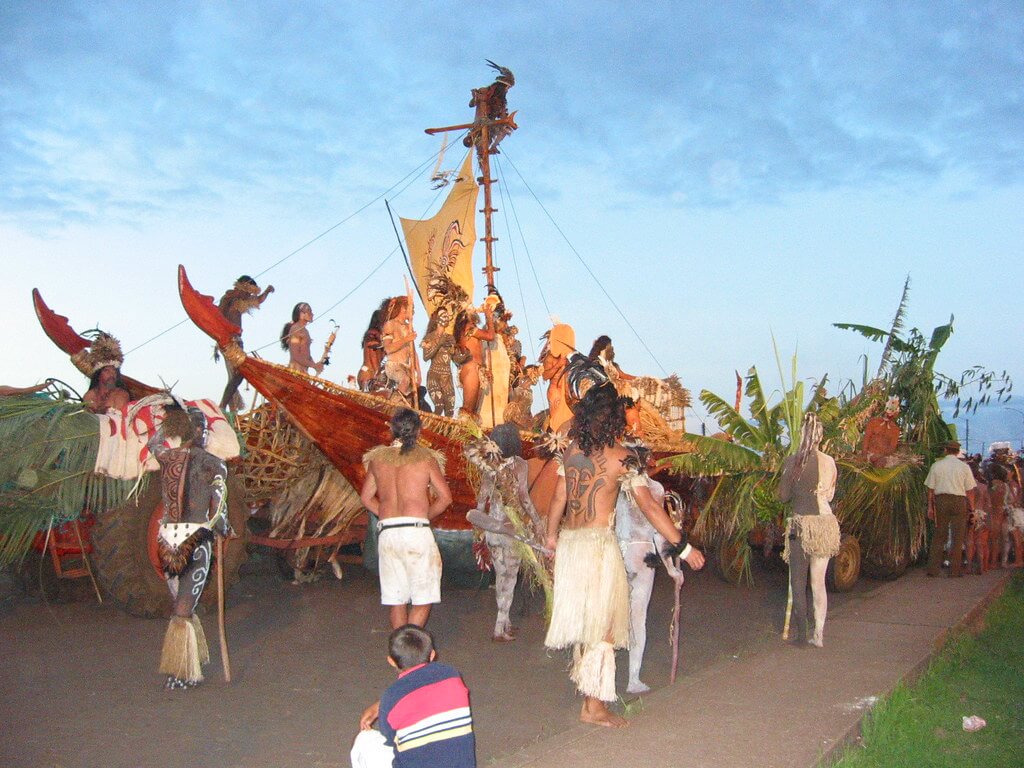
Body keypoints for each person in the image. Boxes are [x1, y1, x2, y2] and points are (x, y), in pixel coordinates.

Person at [544, 383, 704, 727]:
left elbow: (558, 499)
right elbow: (650, 507)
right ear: (615, 419)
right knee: (603, 628)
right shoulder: (622, 458)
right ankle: (595, 707)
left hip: (571, 545)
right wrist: (684, 546)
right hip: (598, 549)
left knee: (588, 625)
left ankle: (590, 702)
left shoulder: (571, 450)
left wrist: (550, 538)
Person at [147, 405, 231, 689]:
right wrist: (223, 528)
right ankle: (183, 671)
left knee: (181, 604)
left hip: (168, 540)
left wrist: (168, 426)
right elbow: (219, 509)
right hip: (195, 541)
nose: (206, 433)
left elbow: (153, 442)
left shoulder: (167, 457)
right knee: (183, 607)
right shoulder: (214, 464)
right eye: (203, 428)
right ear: (196, 431)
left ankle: (190, 660)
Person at [360, 409, 452, 629]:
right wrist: (423, 516)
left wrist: (386, 514)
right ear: (418, 431)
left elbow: (366, 498)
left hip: (388, 532)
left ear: (392, 430)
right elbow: (445, 498)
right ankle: (411, 644)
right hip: (415, 531)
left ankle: (400, 647)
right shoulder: (426, 458)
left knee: (397, 600)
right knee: (423, 599)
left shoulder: (377, 460)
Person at [352, 625, 475, 768]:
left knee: (363, 739)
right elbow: (425, 694)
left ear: (391, 661)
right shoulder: (452, 675)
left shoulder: (391, 697)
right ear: (432, 655)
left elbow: (391, 740)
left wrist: (383, 705)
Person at [466, 423, 545, 642]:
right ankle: (499, 627)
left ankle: (505, 621)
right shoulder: (519, 464)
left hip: (492, 528)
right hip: (511, 529)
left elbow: (481, 500)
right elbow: (524, 498)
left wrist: (480, 528)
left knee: (501, 575)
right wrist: (537, 523)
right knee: (509, 577)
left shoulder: (488, 465)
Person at [614, 453, 683, 694]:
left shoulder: (615, 485)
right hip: (640, 554)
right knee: (637, 618)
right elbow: (659, 533)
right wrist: (671, 568)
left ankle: (605, 677)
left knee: (612, 616)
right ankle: (633, 679)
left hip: (616, 552)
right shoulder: (654, 489)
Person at [778, 412, 841, 647]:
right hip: (825, 526)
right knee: (818, 582)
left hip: (802, 525)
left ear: (802, 434)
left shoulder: (793, 461)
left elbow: (783, 496)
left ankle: (802, 635)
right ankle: (819, 635)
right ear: (820, 437)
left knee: (798, 581)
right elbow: (830, 495)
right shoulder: (829, 462)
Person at [217, 275, 273, 411]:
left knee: (235, 375)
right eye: (248, 292)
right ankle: (224, 406)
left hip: (236, 340)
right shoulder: (228, 299)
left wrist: (267, 291)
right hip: (228, 341)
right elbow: (218, 317)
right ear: (242, 287)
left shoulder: (241, 300)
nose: (249, 295)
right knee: (238, 373)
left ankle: (230, 409)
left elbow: (258, 300)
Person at [924, 440, 976, 577]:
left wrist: (930, 507)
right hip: (959, 501)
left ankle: (933, 570)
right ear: (958, 452)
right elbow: (970, 491)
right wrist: (972, 509)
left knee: (939, 535)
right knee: (958, 537)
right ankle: (954, 571)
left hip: (941, 501)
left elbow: (930, 489)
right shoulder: (964, 467)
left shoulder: (936, 466)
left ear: (945, 450)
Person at [454, 305, 496, 421]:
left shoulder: (468, 330)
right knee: (468, 410)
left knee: (473, 412)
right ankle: (462, 430)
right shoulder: (469, 328)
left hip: (476, 369)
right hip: (471, 368)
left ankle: (469, 430)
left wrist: (484, 369)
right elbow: (490, 336)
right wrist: (489, 317)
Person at [381, 297, 419, 404]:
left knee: (411, 395)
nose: (414, 312)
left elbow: (413, 352)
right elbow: (388, 349)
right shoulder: (390, 324)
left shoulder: (408, 328)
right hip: (394, 366)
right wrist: (406, 339)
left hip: (406, 368)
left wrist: (418, 372)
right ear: (403, 308)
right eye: (412, 308)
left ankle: (403, 408)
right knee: (405, 380)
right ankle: (393, 405)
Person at [81, 332, 131, 414]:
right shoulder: (89, 395)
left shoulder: (121, 394)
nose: (112, 374)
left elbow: (118, 418)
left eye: (114, 371)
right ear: (98, 375)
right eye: (107, 371)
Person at [421, 306, 457, 418]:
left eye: (447, 315)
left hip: (447, 377)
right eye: (443, 315)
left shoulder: (450, 338)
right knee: (439, 406)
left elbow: (455, 357)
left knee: (450, 411)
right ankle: (431, 426)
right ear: (436, 319)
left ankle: (445, 430)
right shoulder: (429, 337)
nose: (446, 317)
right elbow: (426, 357)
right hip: (434, 376)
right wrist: (439, 344)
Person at [279, 302, 324, 376]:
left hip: (303, 372)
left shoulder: (305, 331)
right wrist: (313, 365)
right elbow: (295, 355)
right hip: (295, 371)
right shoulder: (296, 329)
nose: (312, 314)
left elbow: (306, 353)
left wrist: (316, 365)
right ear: (302, 314)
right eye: (309, 311)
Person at [358, 302, 388, 392]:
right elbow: (372, 348)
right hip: (369, 373)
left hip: (369, 372)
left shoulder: (374, 335)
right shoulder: (373, 334)